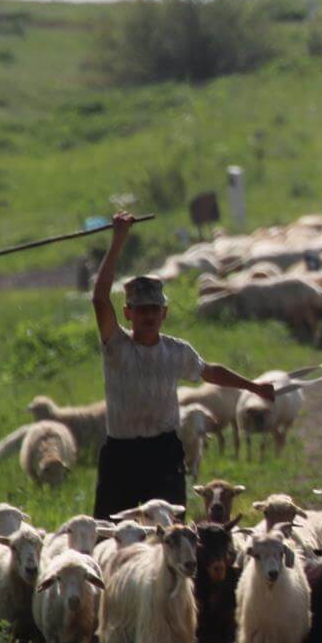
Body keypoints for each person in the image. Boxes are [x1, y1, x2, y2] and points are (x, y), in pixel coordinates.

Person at [91, 212, 274, 519]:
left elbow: (210, 371)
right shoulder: (117, 347)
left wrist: (253, 387)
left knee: (172, 535)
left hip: (163, 454)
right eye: (141, 309)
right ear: (128, 313)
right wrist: (118, 240)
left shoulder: (176, 351)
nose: (148, 315)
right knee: (109, 533)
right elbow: (99, 300)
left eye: (154, 309)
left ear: (164, 313)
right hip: (121, 454)